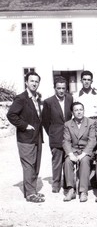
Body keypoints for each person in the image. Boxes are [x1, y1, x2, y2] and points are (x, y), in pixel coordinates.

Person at [7, 71, 45, 203]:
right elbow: (11, 115)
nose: (34, 83)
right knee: (29, 165)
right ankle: (30, 194)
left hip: (37, 137)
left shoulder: (36, 98)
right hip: (26, 137)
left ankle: (32, 191)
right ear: (26, 82)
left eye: (36, 81)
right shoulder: (21, 98)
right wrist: (24, 125)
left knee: (35, 165)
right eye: (32, 81)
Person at [42, 76, 73, 193]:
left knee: (68, 160)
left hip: (68, 136)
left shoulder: (70, 99)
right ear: (54, 88)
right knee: (57, 161)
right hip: (56, 136)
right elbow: (45, 121)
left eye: (63, 88)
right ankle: (56, 184)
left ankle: (67, 183)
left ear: (66, 89)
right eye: (58, 88)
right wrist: (52, 133)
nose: (61, 90)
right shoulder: (48, 102)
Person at [62, 102, 96, 202]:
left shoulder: (91, 122)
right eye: (76, 110)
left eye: (81, 109)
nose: (79, 112)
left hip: (86, 151)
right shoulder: (68, 124)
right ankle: (70, 189)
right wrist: (70, 154)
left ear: (84, 110)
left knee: (85, 161)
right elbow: (66, 141)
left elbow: (92, 140)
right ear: (72, 112)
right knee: (68, 161)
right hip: (74, 150)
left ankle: (83, 191)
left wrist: (84, 154)